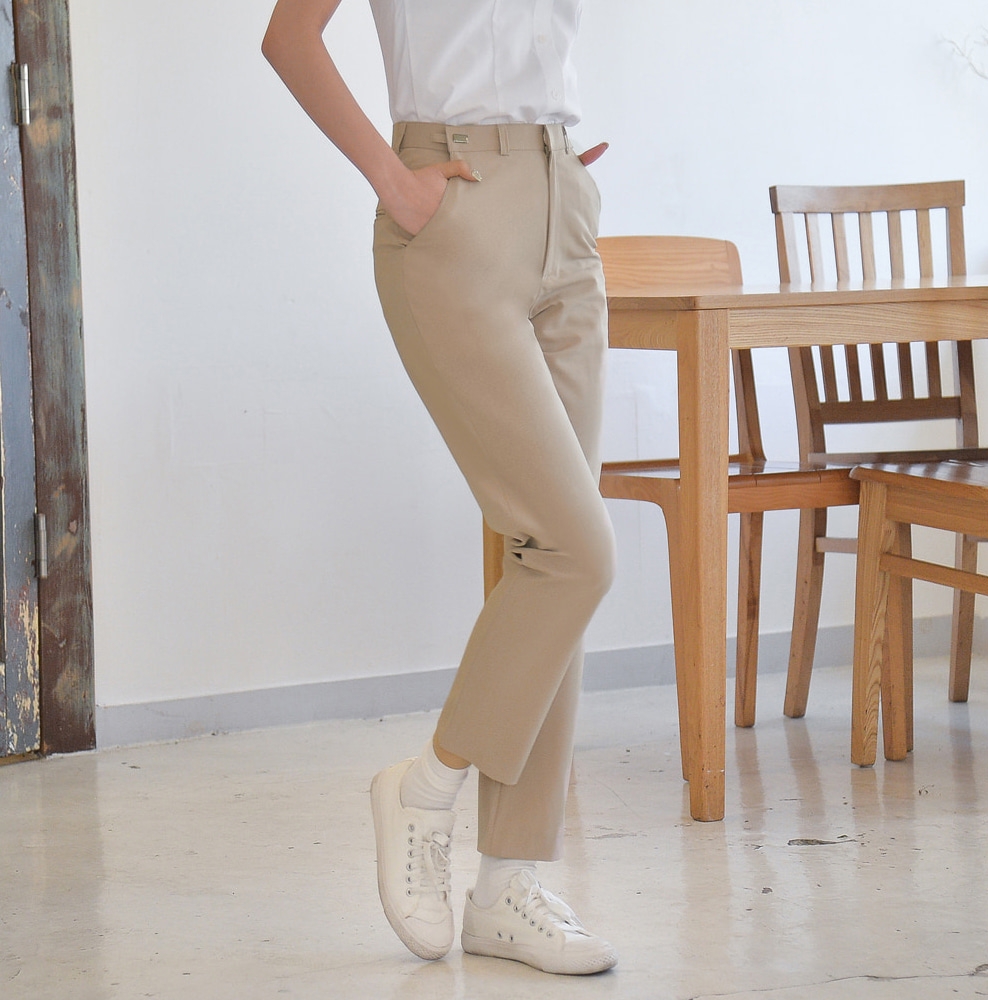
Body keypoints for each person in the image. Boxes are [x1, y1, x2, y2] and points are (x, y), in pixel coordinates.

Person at [262, 0, 617, 976]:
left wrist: (553, 173)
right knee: (577, 551)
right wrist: (395, 181)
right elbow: (288, 36)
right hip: (451, 204)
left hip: (564, 199)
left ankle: (507, 888)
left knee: (549, 562)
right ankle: (424, 786)